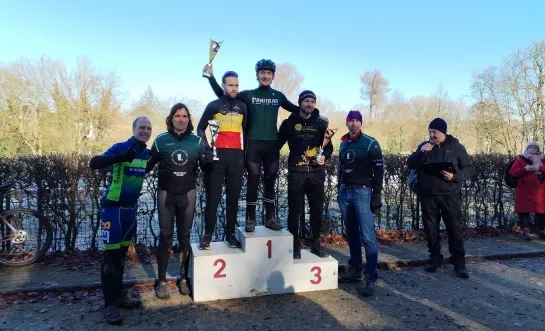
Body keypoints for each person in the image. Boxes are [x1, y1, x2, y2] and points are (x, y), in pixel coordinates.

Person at [203, 60, 300, 232]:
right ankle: (250, 219)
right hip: (253, 145)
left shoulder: (278, 96)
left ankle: (270, 218)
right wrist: (211, 78)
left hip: (272, 146)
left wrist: (316, 115)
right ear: (257, 75)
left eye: (269, 73)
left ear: (273, 76)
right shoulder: (248, 95)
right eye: (262, 73)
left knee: (270, 181)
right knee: (253, 181)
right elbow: (223, 96)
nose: (265, 76)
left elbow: (296, 109)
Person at [146, 103, 215, 299]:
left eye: (184, 116)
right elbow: (147, 167)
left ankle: (184, 279)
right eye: (177, 116)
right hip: (166, 194)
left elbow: (206, 169)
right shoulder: (160, 141)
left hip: (188, 194)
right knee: (165, 236)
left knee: (185, 237)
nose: (181, 119)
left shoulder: (197, 141)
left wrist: (210, 161)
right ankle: (161, 281)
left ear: (189, 120)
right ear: (171, 118)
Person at [89, 116, 152, 325]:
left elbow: (151, 166)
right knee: (111, 257)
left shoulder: (146, 153)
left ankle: (117, 297)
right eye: (141, 127)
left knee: (122, 256)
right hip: (113, 209)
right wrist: (119, 157)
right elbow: (94, 163)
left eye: (148, 128)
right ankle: (109, 305)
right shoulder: (120, 147)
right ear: (133, 129)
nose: (145, 131)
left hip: (130, 209)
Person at [407, 118, 475, 279]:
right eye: (430, 131)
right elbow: (411, 164)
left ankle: (459, 262)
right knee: (431, 229)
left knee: (454, 228)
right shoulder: (424, 146)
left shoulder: (457, 147)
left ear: (443, 132)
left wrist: (454, 176)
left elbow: (469, 169)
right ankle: (435, 259)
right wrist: (420, 152)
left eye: (434, 132)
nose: (432, 135)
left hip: (450, 195)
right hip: (428, 195)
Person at [277, 90, 332, 259]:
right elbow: (277, 145)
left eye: (312, 101)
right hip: (297, 172)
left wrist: (324, 157)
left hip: (316, 173)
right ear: (300, 103)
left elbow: (328, 147)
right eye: (306, 101)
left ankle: (316, 244)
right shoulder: (288, 123)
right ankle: (295, 246)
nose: (309, 104)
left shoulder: (321, 124)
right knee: (294, 212)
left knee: (316, 210)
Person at [196, 71, 247, 250]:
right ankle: (207, 235)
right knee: (213, 198)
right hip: (217, 157)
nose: (233, 88)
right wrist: (208, 149)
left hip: (236, 157)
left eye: (236, 85)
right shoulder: (213, 105)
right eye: (230, 85)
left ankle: (230, 234)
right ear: (223, 86)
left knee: (233, 198)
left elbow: (246, 133)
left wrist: (245, 155)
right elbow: (200, 129)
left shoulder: (243, 106)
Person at [336, 110, 383, 297]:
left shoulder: (371, 143)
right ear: (346, 123)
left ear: (361, 124)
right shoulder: (343, 144)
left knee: (368, 236)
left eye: (357, 121)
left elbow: (379, 173)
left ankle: (371, 275)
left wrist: (377, 196)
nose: (354, 124)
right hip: (344, 192)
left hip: (362, 192)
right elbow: (341, 167)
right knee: (352, 233)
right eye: (351, 121)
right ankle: (355, 269)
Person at [509, 141, 545, 240]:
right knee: (524, 210)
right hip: (524, 189)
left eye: (535, 148)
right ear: (527, 149)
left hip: (540, 189)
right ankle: (525, 230)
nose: (533, 149)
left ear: (538, 150)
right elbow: (513, 172)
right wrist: (526, 169)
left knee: (541, 211)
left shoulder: (543, 160)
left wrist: (540, 168)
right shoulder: (520, 160)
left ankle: (541, 230)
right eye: (531, 147)